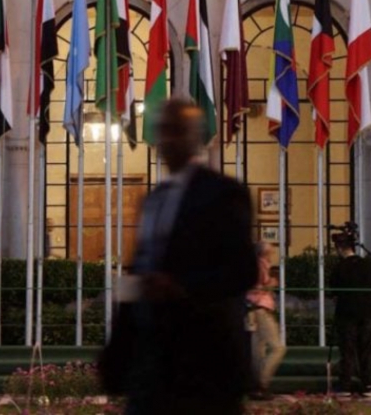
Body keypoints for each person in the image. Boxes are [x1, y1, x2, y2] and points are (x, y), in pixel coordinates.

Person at [100, 97, 258, 414]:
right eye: (163, 130)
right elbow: (141, 274)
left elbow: (242, 271)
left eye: (177, 130)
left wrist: (181, 286)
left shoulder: (223, 193)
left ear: (195, 136)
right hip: (154, 366)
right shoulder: (154, 201)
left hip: (205, 363)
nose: (168, 140)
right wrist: (115, 357)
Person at [329, 227, 371, 397]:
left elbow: (334, 290)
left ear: (339, 248)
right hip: (367, 311)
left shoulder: (339, 267)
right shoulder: (367, 265)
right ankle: (368, 384)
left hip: (346, 312)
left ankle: (345, 384)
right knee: (366, 349)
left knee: (347, 348)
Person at [247, 241, 286, 401]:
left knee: (258, 349)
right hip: (261, 307)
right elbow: (261, 286)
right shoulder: (260, 265)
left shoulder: (252, 265)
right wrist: (273, 282)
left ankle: (255, 385)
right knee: (278, 348)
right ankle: (262, 383)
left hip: (252, 309)